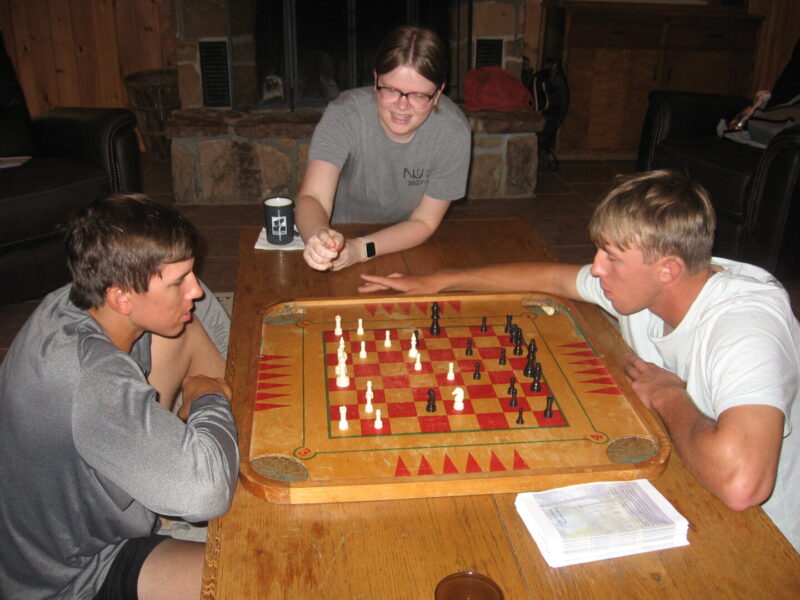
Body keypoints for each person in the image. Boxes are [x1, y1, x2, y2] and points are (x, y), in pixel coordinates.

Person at [359, 170, 800, 552]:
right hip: (675, 464)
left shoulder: (746, 327)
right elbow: (552, 278)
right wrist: (440, 280)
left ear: (667, 269)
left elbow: (743, 486)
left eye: (611, 257)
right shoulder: (650, 284)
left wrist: (667, 396)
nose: (595, 268)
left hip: (767, 537)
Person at [0, 194, 240, 599]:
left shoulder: (72, 301)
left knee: (182, 324)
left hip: (82, 525)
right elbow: (205, 495)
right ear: (121, 297)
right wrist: (208, 397)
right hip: (70, 579)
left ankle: (193, 456)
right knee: (261, 572)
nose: (195, 290)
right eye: (179, 281)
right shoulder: (92, 380)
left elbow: (206, 319)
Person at [295, 25, 471, 272]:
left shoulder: (453, 132)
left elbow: (424, 222)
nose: (402, 106)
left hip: (407, 240)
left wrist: (361, 249)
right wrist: (318, 236)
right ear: (376, 78)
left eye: (419, 95)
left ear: (439, 92)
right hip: (340, 235)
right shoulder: (344, 113)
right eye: (390, 90)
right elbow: (312, 197)